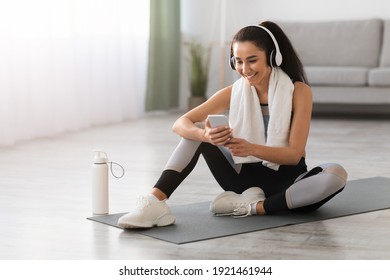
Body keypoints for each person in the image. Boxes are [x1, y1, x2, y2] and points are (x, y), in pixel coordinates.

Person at [118, 21, 348, 228]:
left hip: (286, 183)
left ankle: (252, 207)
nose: (244, 70)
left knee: (335, 174)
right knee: (194, 136)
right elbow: (180, 123)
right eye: (238, 61)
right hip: (241, 177)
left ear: (272, 57)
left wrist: (252, 148)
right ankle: (154, 203)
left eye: (252, 60)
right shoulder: (231, 93)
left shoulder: (299, 92)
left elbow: (294, 155)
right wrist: (208, 136)